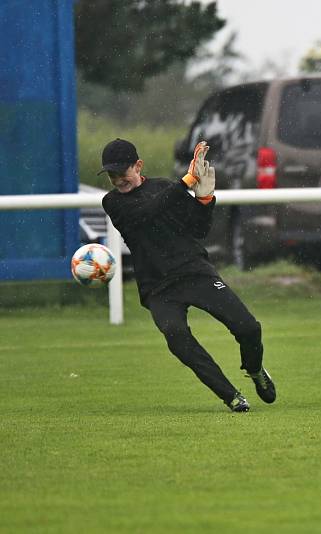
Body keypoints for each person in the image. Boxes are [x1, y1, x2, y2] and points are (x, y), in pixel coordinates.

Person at [100, 138, 277, 411]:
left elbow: (199, 229)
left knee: (249, 328)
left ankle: (254, 370)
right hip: (158, 288)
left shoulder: (164, 188)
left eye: (121, 172)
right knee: (177, 338)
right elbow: (147, 212)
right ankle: (231, 395)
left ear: (138, 166)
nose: (117, 179)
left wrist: (205, 200)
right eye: (111, 175)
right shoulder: (112, 203)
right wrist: (184, 182)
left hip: (195, 272)